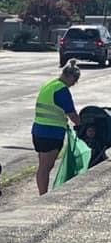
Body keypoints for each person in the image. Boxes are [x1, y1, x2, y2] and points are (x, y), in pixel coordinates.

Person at [32, 59, 81, 195]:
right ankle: (43, 196)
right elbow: (72, 114)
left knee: (43, 166)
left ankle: (42, 193)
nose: (74, 83)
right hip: (51, 133)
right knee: (45, 167)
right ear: (70, 76)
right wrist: (81, 125)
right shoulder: (61, 90)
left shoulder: (50, 84)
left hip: (38, 131)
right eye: (75, 80)